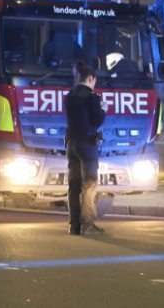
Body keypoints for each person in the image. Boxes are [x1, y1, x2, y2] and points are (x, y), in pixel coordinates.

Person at [65, 60, 107, 235]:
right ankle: (88, 225)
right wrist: (103, 110)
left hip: (71, 144)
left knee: (73, 185)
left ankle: (74, 225)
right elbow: (96, 120)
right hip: (87, 144)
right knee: (89, 185)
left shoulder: (70, 95)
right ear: (90, 78)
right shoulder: (92, 96)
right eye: (94, 81)